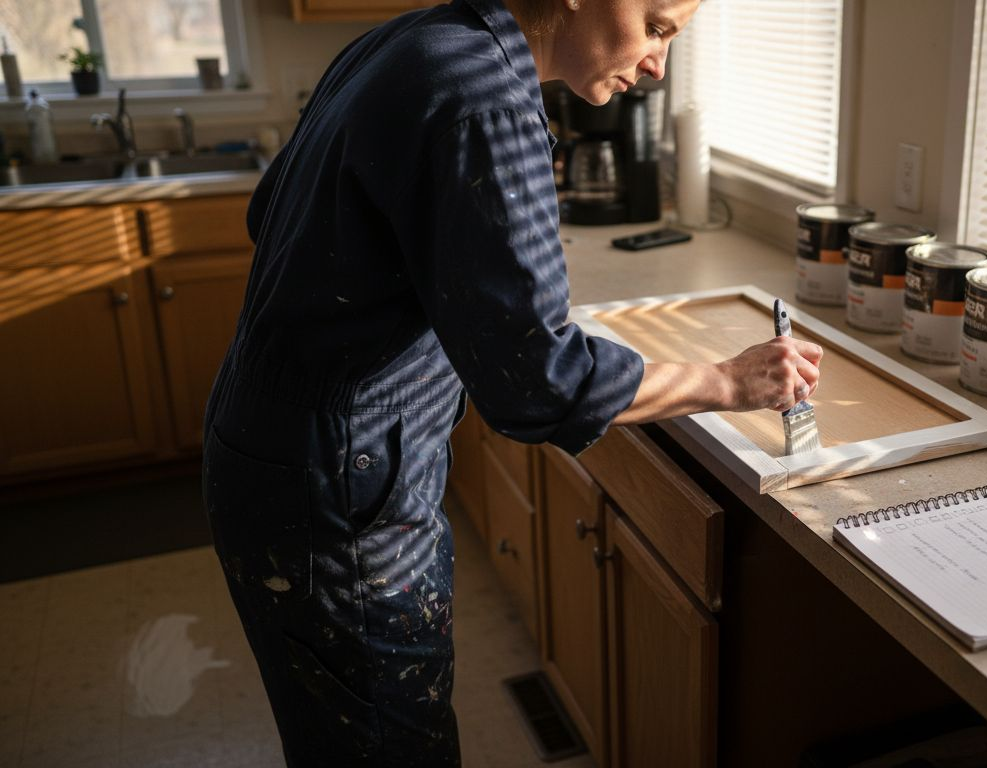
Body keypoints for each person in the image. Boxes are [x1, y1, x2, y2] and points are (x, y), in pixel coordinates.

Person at [202, 0, 822, 765]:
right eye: (657, 26)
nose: (661, 63)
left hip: (263, 448)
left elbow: (271, 216)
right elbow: (539, 384)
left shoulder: (416, 39)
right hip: (338, 491)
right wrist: (726, 382)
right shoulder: (484, 94)